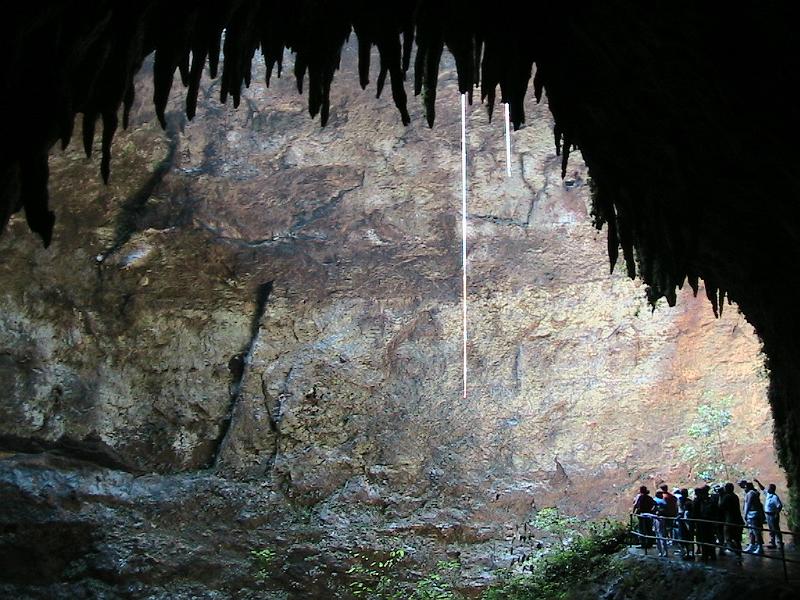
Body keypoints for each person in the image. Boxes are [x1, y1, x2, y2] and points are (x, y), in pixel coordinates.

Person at [754, 478, 784, 548]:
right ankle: (773, 543)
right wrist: (758, 482)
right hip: (768, 514)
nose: (768, 489)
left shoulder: (775, 497)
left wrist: (776, 514)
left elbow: (779, 506)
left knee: (776, 528)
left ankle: (780, 542)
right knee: (771, 529)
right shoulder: (768, 494)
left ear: (772, 489)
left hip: (773, 515)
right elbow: (762, 488)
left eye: (769, 488)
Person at [718, 482, 744, 559]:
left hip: (730, 520)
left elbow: (720, 506)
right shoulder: (735, 496)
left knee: (728, 537)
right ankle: (738, 553)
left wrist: (720, 495)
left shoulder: (727, 497)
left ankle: (734, 550)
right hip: (738, 519)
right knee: (737, 539)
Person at [739, 479, 765, 554]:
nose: (744, 488)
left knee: (756, 531)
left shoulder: (751, 493)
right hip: (751, 514)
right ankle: (752, 545)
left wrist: (745, 514)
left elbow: (748, 504)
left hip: (753, 514)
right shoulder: (752, 493)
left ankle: (760, 547)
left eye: (745, 487)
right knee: (751, 531)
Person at [694, 485, 717, 561]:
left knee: (706, 539)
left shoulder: (705, 501)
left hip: (705, 522)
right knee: (708, 539)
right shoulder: (706, 500)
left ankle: (707, 555)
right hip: (705, 522)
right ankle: (709, 554)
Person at [677, 488, 694, 560]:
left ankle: (688, 553)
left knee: (685, 537)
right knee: (686, 538)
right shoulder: (682, 500)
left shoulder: (687, 501)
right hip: (684, 521)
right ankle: (687, 552)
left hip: (684, 521)